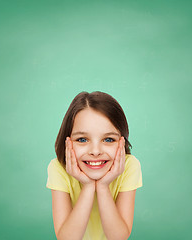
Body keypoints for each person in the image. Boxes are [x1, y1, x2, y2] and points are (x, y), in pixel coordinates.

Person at [46, 91, 143, 240]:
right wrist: (89, 186)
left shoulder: (129, 166)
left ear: (122, 142)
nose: (96, 151)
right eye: (83, 140)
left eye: (109, 139)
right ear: (68, 142)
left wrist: (103, 187)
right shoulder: (58, 168)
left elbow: (118, 237)